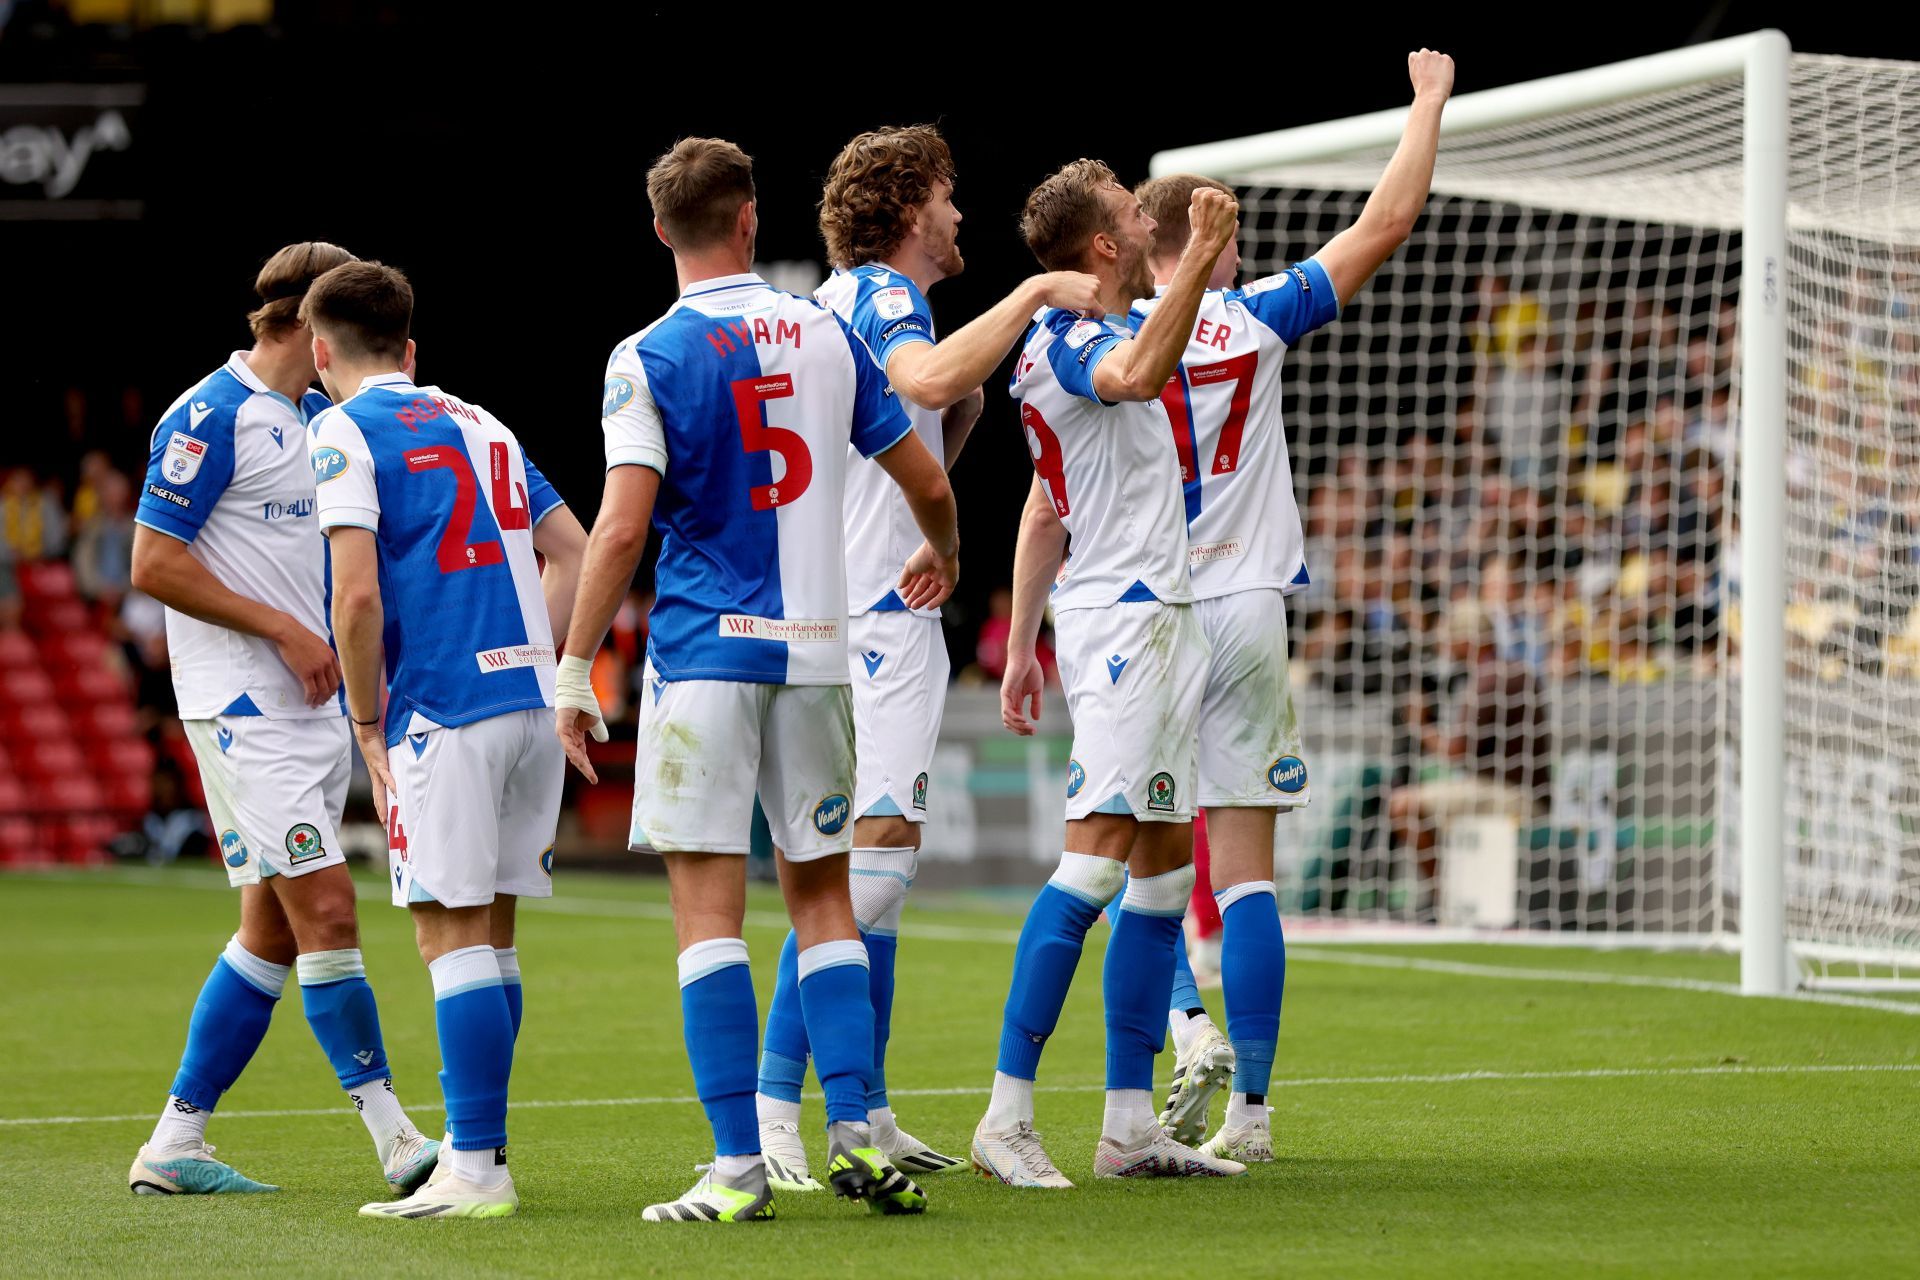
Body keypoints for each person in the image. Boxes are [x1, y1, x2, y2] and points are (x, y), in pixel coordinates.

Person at [554, 137, 959, 1224]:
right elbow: (922, 473)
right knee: (824, 901)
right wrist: (947, 550)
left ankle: (737, 1163)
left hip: (705, 659)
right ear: (749, 220)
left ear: (661, 232)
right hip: (822, 653)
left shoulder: (645, 354)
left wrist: (575, 663)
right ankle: (856, 1131)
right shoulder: (828, 334)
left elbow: (625, 523)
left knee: (708, 915)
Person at [1118, 49, 1456, 1163]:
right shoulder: (1253, 317)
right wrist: (1425, 105)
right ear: (1202, 243)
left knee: (1137, 857)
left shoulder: (1107, 346)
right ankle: (1255, 1116)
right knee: (1247, 865)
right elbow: (1387, 220)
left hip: (1150, 607)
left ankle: (1178, 1031)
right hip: (1252, 603)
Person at [754, 123, 1102, 1190]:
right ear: (910, 209)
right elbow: (939, 368)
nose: (961, 213)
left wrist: (939, 465)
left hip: (825, 603)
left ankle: (868, 1105)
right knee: (874, 869)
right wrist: (1041, 292)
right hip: (874, 615)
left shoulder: (828, 305)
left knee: (867, 877)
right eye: (949, 195)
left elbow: (953, 396)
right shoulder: (884, 297)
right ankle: (780, 1105)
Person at [124, 243, 439, 1199]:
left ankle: (174, 1145)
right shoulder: (207, 415)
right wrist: (286, 632)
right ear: (309, 322)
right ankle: (397, 1141)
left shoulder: (312, 416)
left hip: (305, 710)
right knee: (330, 908)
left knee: (270, 931)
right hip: (241, 708)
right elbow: (151, 563)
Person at [973, 160, 1245, 1187]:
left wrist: (1023, 642)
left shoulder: (1100, 335)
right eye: (1134, 214)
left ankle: (1131, 1124)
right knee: (1090, 866)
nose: (1148, 221)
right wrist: (1202, 261)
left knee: (1165, 872)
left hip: (1152, 616)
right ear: (1102, 246)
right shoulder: (1073, 341)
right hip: (1126, 625)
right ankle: (1005, 1114)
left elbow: (1047, 505)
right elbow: (1132, 374)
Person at [308, 261, 588, 1221]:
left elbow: (354, 595)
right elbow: (578, 554)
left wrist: (367, 720)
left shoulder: (340, 429)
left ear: (320, 353)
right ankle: (487, 1150)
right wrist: (536, 658)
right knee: (494, 937)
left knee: (445, 933)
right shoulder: (485, 420)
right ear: (412, 349)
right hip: (529, 700)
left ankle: (475, 1170)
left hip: (442, 709)